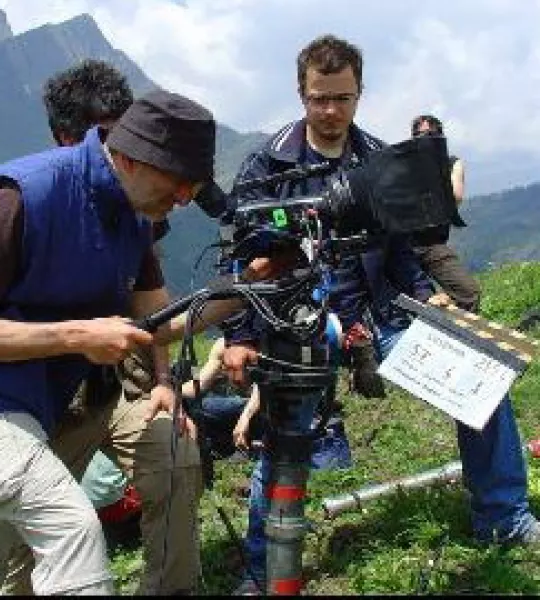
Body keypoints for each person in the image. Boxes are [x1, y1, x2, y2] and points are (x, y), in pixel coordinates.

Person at [223, 34, 540, 593]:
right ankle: (261, 567)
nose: (330, 110)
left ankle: (504, 517)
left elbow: (397, 248)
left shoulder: (375, 160)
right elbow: (241, 262)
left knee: (479, 379)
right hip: (298, 322)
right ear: (302, 93)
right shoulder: (266, 164)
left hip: (378, 316)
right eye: (320, 98)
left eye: (342, 98)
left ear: (360, 94)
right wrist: (240, 336)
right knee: (282, 436)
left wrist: (427, 293)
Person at [0, 89, 229, 595]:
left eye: (193, 188)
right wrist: (76, 335)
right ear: (128, 157)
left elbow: (160, 324)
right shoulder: (20, 194)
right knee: (72, 529)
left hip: (42, 401)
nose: (184, 199)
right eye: (177, 184)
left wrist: (243, 287)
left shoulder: (136, 218)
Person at [3, 59, 203, 594]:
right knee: (28, 545)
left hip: (110, 396)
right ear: (67, 136)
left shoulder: (133, 214)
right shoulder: (33, 200)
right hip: (41, 410)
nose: (128, 155)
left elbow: (154, 312)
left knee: (176, 459)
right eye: (110, 138)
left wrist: (163, 383)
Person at [409, 114, 481, 312]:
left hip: (432, 244)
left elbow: (455, 197)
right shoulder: (405, 164)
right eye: (419, 135)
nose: (424, 138)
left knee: (468, 293)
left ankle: (456, 338)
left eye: (430, 134)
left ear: (440, 137)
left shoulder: (452, 163)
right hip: (401, 244)